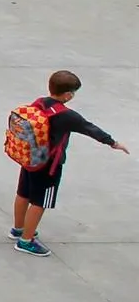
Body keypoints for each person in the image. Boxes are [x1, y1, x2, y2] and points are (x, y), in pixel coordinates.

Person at [9, 69, 128, 257]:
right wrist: (113, 143)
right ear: (67, 95)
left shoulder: (39, 103)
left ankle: (18, 229)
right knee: (40, 202)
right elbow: (90, 129)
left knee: (23, 193)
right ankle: (26, 240)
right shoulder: (67, 116)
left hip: (30, 158)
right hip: (49, 166)